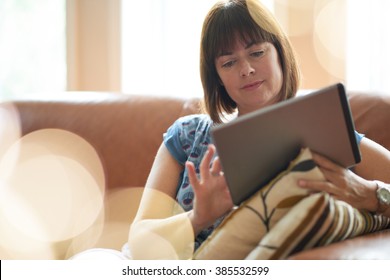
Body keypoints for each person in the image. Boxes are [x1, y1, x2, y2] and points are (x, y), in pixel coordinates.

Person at [128, 0, 390, 258]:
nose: (247, 69)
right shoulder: (188, 137)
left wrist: (369, 194)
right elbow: (139, 242)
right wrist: (197, 218)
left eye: (257, 53)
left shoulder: (323, 128)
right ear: (217, 78)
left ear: (280, 53)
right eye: (229, 62)